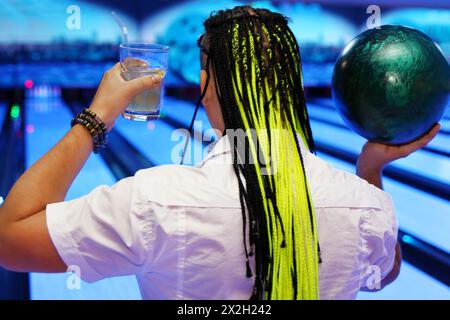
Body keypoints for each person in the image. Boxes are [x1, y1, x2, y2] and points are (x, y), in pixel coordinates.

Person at [0, 6, 440, 300]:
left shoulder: (153, 201)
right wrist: (370, 168)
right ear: (292, 88)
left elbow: (10, 240)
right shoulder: (367, 207)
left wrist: (97, 115)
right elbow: (383, 273)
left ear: (207, 84)